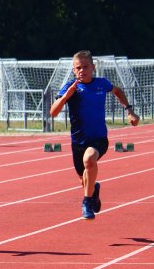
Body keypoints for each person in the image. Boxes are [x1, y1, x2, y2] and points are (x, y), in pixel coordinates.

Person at [49, 50, 139, 221]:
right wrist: (66, 96)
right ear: (74, 70)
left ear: (93, 68)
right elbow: (53, 112)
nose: (82, 70)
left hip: (99, 138)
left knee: (90, 159)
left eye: (85, 67)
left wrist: (129, 111)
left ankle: (87, 201)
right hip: (78, 141)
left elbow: (118, 91)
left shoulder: (101, 83)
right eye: (78, 68)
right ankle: (93, 191)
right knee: (85, 180)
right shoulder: (71, 87)